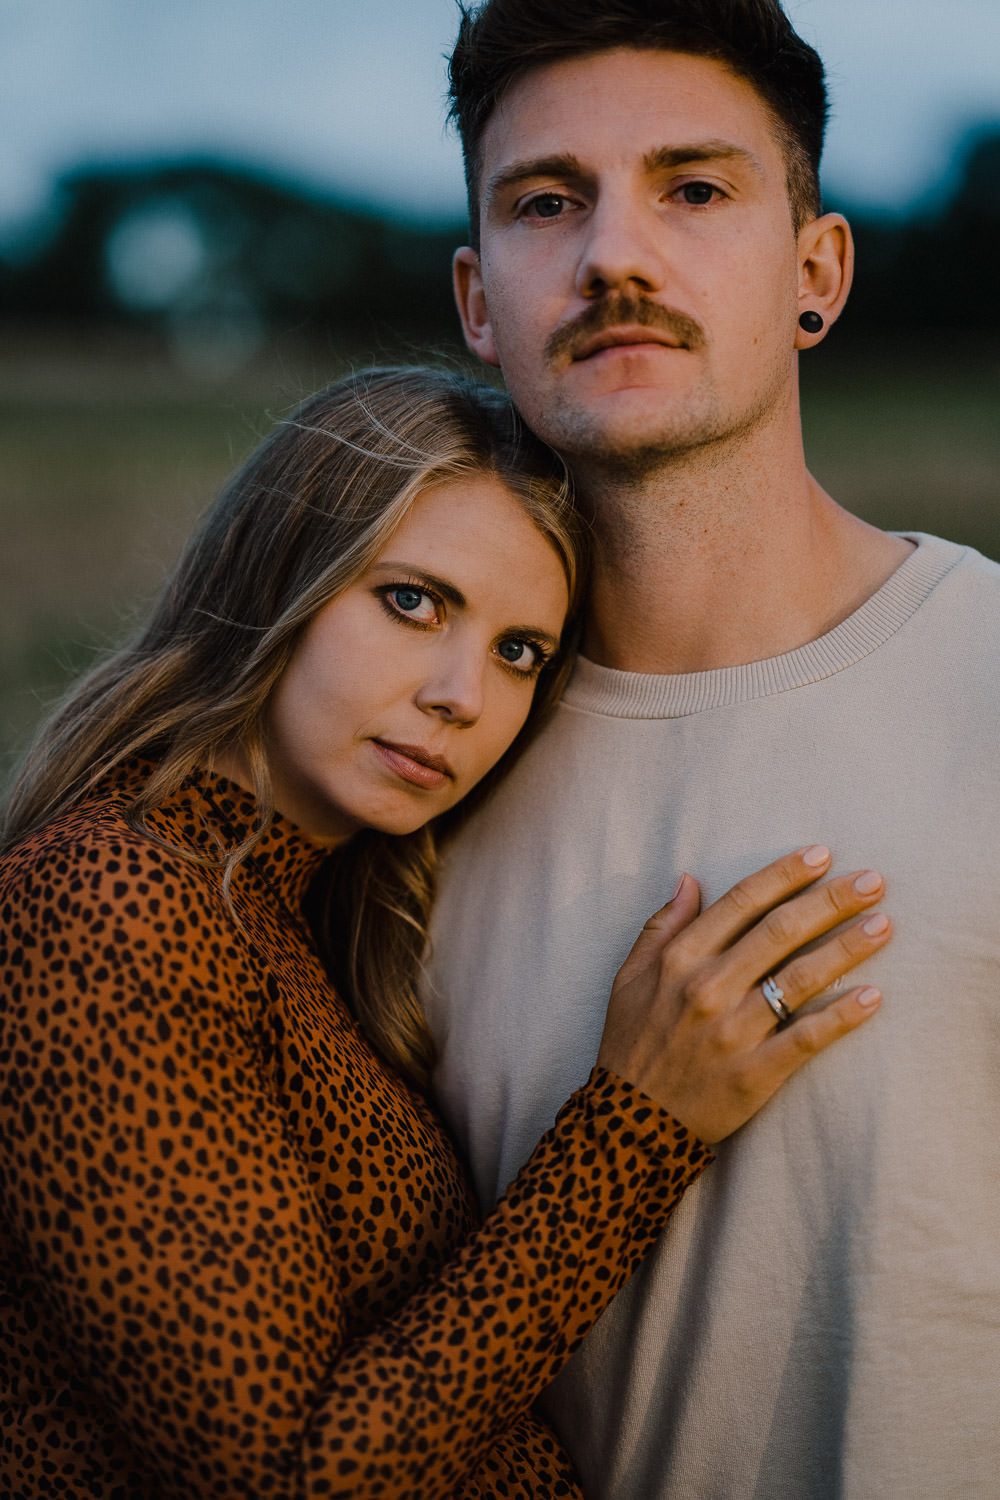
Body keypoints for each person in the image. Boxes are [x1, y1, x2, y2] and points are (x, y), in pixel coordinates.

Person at [0, 365, 892, 1499]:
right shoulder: (107, 904)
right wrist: (635, 1130)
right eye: (413, 602)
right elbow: (282, 1480)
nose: (461, 695)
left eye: (520, 652)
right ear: (280, 574)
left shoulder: (294, 919)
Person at [426, 3, 1000, 1497]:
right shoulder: (402, 766)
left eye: (694, 188)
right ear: (481, 301)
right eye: (551, 202)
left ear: (816, 273)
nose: (618, 252)